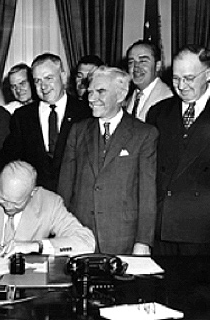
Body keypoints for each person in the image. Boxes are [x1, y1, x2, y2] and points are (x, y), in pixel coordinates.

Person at [58, 66, 158, 255]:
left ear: (121, 95)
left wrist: (143, 241)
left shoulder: (144, 134)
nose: (91, 98)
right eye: (90, 92)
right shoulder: (78, 131)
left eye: (100, 92)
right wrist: (62, 233)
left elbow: (147, 193)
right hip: (80, 235)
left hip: (122, 238)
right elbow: (65, 187)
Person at [0, 53, 92, 193]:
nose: (43, 86)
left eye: (48, 78)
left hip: (77, 196)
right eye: (37, 81)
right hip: (37, 199)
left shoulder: (85, 112)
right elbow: (6, 155)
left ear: (63, 77)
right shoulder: (23, 116)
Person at [146, 45, 210, 255]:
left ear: (208, 74)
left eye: (189, 78)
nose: (181, 86)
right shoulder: (159, 112)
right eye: (175, 78)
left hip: (201, 229)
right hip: (162, 227)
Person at [125, 39, 173, 122]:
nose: (136, 67)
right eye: (131, 62)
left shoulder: (168, 98)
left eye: (143, 61)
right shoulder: (129, 99)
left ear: (157, 66)